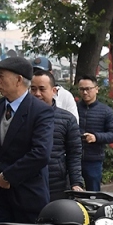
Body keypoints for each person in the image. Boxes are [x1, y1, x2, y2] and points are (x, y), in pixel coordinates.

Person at [0, 56, 54, 225]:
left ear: (18, 79)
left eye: (1, 76)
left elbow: (41, 153)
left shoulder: (40, 111)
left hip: (26, 194)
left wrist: (9, 176)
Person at [31, 69, 83, 198]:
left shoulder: (67, 119)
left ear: (54, 91)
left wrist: (76, 182)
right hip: (28, 185)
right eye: (33, 89)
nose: (37, 94)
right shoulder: (21, 117)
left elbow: (74, 153)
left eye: (42, 89)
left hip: (56, 185)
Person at [76, 74, 113, 192]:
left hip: (94, 159)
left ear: (96, 89)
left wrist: (96, 137)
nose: (85, 92)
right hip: (73, 158)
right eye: (82, 89)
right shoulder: (73, 108)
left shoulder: (106, 111)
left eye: (88, 89)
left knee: (93, 193)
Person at [33, 56, 78, 122]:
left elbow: (74, 123)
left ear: (51, 73)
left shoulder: (65, 96)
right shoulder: (28, 94)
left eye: (42, 73)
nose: (37, 94)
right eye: (34, 72)